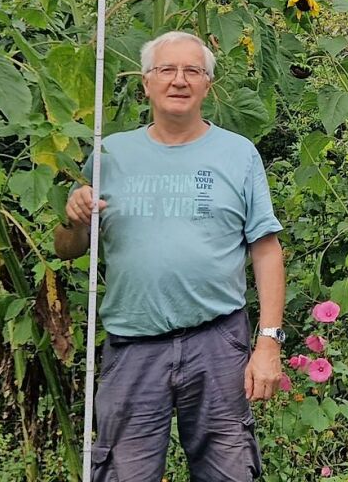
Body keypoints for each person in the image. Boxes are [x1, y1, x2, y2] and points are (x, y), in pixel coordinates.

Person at [53, 30, 286, 482]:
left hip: (218, 342)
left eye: (192, 71)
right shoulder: (109, 154)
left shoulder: (238, 154)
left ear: (207, 86)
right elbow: (68, 249)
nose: (179, 80)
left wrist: (268, 342)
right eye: (167, 70)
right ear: (146, 82)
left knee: (230, 473)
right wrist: (75, 219)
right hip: (133, 346)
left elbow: (266, 249)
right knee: (125, 473)